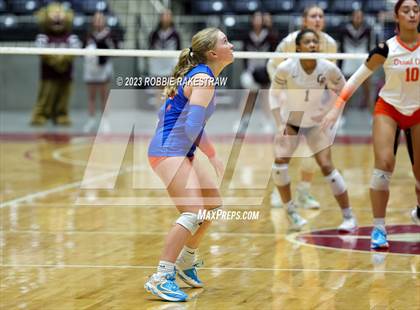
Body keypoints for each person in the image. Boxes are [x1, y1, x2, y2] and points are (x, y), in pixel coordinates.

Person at [145, 28, 234, 302]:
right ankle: (161, 276)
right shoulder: (204, 78)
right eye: (225, 42)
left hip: (181, 149)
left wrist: (207, 152)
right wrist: (213, 155)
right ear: (213, 53)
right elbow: (193, 125)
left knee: (212, 205)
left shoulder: (203, 76)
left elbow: (190, 123)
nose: (231, 45)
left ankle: (186, 260)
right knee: (192, 212)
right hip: (168, 149)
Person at [322, 0, 420, 247]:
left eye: (416, 10)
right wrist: (336, 110)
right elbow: (355, 80)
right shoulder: (384, 49)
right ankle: (379, 229)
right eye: (406, 10)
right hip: (389, 108)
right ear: (396, 16)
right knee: (384, 166)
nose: (412, 14)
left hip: (418, 111)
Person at [269, 29, 357, 231]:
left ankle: (349, 216)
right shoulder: (285, 67)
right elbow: (273, 94)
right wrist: (278, 123)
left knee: (326, 166)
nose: (312, 45)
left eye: (314, 42)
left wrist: (331, 111)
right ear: (298, 47)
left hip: (315, 121)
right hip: (292, 118)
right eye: (307, 42)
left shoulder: (327, 67)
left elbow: (344, 90)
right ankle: (291, 213)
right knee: (280, 163)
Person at [267, 5, 337, 210]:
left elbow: (331, 75)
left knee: (311, 153)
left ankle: (304, 193)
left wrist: (327, 103)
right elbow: (271, 64)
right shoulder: (290, 42)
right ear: (304, 21)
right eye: (313, 16)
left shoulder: (330, 44)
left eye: (321, 16)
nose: (317, 19)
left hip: (315, 106)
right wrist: (279, 92)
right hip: (291, 104)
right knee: (283, 149)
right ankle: (278, 193)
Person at [83, 11, 118, 133]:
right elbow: (82, 51)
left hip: (104, 69)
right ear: (93, 21)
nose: (98, 21)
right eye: (96, 19)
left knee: (104, 96)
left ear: (104, 21)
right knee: (91, 96)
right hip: (91, 69)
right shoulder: (88, 34)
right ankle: (91, 120)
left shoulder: (109, 34)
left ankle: (105, 122)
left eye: (100, 19)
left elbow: (116, 50)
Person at [340, 9, 373, 110]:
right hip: (348, 59)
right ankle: (342, 114)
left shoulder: (367, 29)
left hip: (362, 58)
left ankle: (371, 113)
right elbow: (341, 46)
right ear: (352, 17)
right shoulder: (344, 29)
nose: (358, 18)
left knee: (367, 87)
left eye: (360, 16)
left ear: (363, 18)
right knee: (345, 88)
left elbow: (369, 46)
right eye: (356, 16)